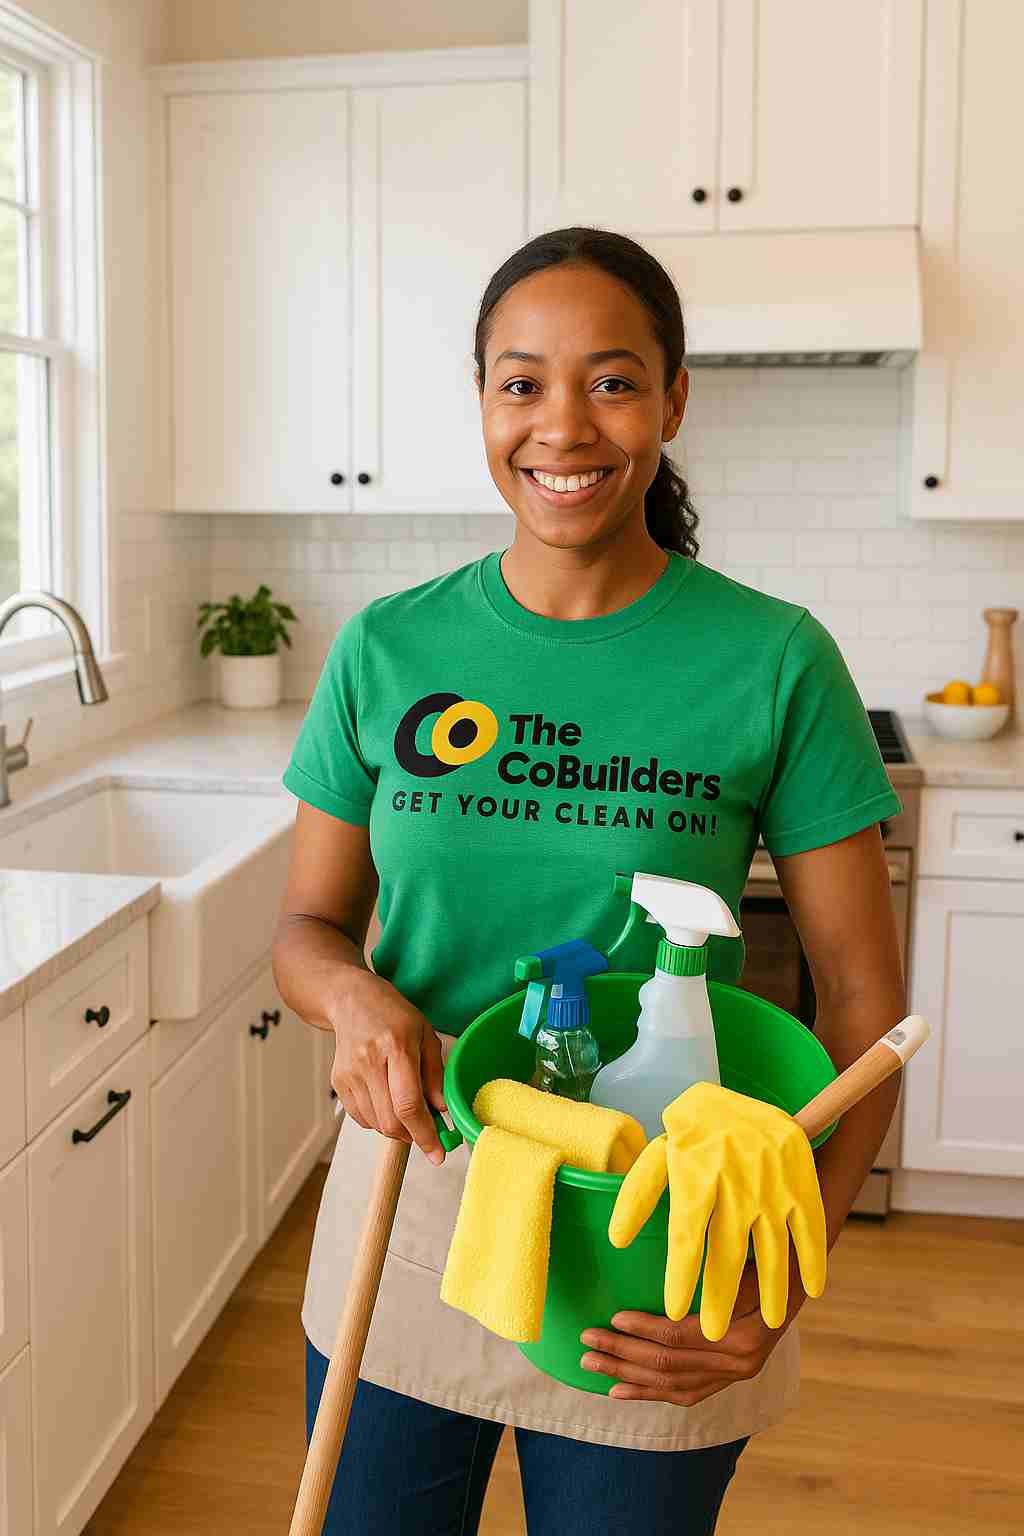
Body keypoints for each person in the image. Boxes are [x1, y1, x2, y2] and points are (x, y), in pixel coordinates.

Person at [272, 226, 906, 1535]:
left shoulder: (773, 659)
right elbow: (308, 925)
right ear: (484, 401)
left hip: (660, 1210)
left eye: (613, 381)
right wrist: (355, 1002)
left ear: (674, 398)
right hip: (415, 1189)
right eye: (522, 382)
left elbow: (863, 1011)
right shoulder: (390, 648)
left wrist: (789, 1269)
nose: (564, 425)